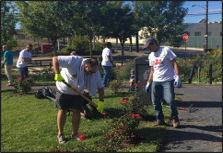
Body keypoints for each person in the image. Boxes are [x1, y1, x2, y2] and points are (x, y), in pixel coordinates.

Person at [52, 55, 104, 144]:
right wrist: (57, 73)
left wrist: (101, 101)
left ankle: (75, 133)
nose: (92, 74)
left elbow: (100, 87)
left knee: (76, 111)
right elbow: (55, 59)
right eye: (90, 71)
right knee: (62, 111)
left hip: (78, 92)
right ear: (86, 66)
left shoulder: (95, 72)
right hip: (63, 89)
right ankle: (60, 134)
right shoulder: (74, 61)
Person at [144, 38, 182, 128]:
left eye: (149, 47)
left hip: (168, 80)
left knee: (170, 100)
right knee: (155, 101)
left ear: (154, 43)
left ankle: (175, 118)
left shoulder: (166, 50)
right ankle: (160, 119)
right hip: (156, 80)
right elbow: (152, 70)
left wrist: (178, 76)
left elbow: (174, 63)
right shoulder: (151, 56)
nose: (149, 49)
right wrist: (149, 82)